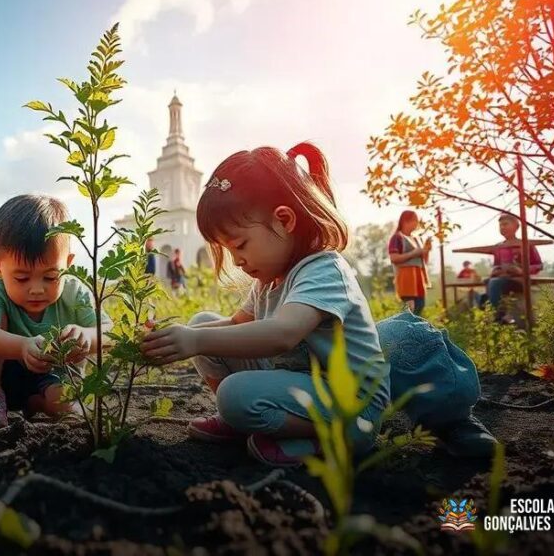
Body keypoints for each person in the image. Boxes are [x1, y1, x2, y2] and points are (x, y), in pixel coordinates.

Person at [139, 143, 497, 465]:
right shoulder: (269, 277)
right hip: (305, 383)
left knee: (229, 387)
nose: (237, 261)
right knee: (203, 320)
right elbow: (235, 323)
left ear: (284, 221)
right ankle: (248, 421)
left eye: (241, 246)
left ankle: (332, 438)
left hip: (351, 404)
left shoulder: (323, 269)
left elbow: (284, 334)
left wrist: (194, 339)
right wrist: (181, 336)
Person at [0, 195, 111, 429]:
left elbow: (109, 332)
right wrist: (23, 346)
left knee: (66, 407)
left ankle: (35, 403)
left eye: (51, 277)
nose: (36, 289)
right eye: (22, 278)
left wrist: (87, 336)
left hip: (55, 373)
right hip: (3, 373)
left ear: (68, 264)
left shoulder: (75, 292)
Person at [483, 213, 542, 323]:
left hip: (520, 281)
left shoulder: (526, 244)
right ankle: (498, 314)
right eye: (500, 225)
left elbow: (539, 265)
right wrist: (496, 270)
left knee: (494, 283)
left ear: (516, 227)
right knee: (487, 282)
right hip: (503, 280)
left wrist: (522, 270)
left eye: (505, 224)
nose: (503, 227)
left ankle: (499, 316)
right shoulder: (499, 247)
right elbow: (496, 265)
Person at [387, 210, 431, 316]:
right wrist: (413, 253)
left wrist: (426, 251)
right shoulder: (397, 237)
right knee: (410, 309)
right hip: (406, 277)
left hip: (418, 278)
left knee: (420, 306)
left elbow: (423, 262)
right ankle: (404, 331)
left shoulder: (416, 239)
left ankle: (413, 331)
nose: (417, 223)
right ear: (406, 221)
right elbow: (394, 258)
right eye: (415, 220)